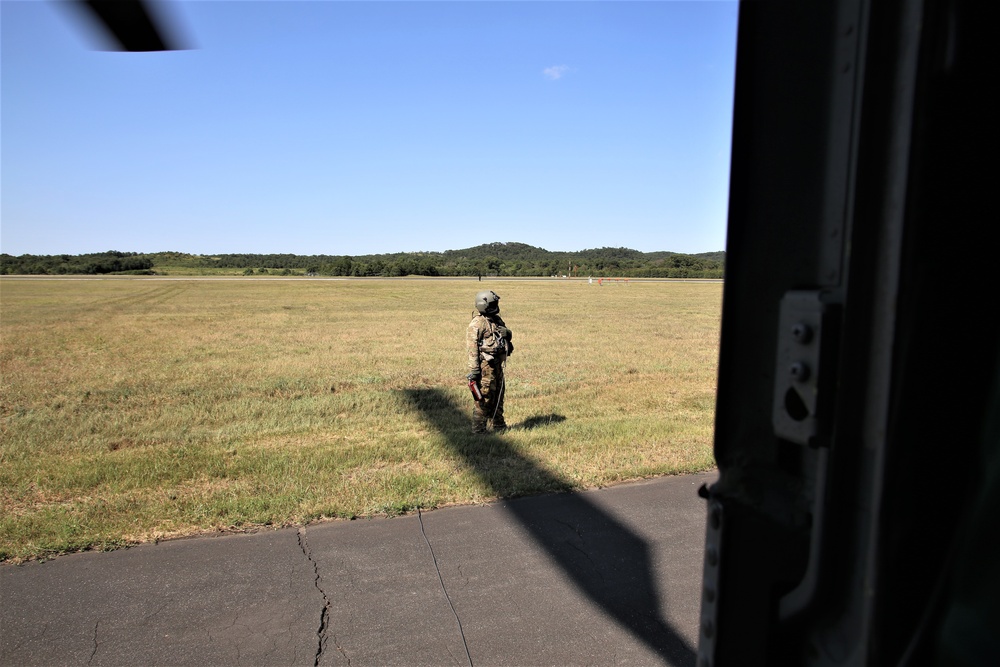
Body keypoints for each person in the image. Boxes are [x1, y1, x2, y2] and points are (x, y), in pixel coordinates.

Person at [466, 290, 513, 433]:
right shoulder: (477, 324)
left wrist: (508, 333)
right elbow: (472, 348)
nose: (496, 306)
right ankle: (478, 430)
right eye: (493, 304)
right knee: (484, 398)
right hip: (485, 366)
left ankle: (498, 425)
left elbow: (505, 338)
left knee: (499, 395)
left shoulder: (496, 320)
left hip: (497, 365)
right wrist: (474, 370)